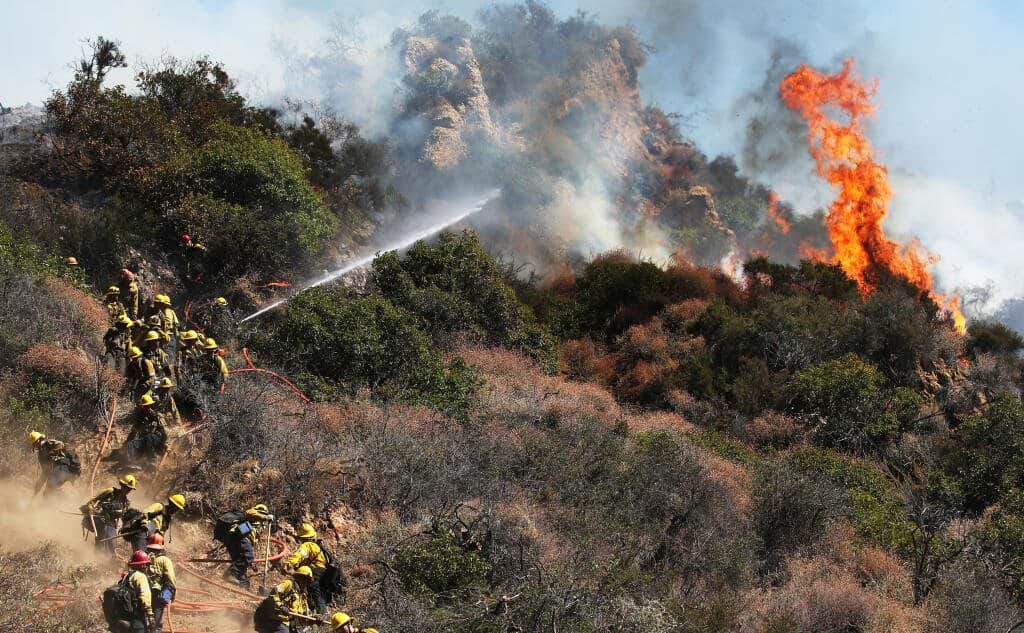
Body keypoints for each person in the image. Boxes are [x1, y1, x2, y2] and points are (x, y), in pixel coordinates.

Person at [81, 475, 137, 554]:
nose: (127, 490)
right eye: (126, 487)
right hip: (99, 518)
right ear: (122, 485)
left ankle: (108, 561)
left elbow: (126, 517)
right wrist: (90, 508)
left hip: (111, 523)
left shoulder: (126, 502)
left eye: (130, 489)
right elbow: (94, 500)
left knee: (112, 544)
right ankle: (97, 558)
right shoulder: (110, 491)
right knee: (102, 538)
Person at [283, 523, 330, 615]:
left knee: (314, 591)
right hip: (323, 572)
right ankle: (315, 612)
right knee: (315, 593)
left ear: (303, 538)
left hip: (315, 571)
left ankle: (323, 614)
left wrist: (288, 565)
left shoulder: (307, 545)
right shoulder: (317, 546)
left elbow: (299, 555)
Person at [224, 504, 274, 588]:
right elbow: (249, 513)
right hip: (239, 537)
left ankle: (243, 586)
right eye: (264, 514)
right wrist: (266, 517)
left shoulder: (260, 523)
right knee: (248, 556)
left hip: (237, 540)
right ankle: (230, 574)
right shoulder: (253, 513)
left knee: (241, 564)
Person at [253, 567, 313, 633]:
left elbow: (305, 617)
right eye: (304, 579)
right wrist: (281, 606)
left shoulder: (303, 596)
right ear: (298, 577)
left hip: (284, 623)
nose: (305, 583)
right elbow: (274, 593)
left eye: (307, 581)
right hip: (270, 618)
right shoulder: (289, 584)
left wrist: (315, 619)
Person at [121, 393, 168, 465]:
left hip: (157, 441)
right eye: (145, 406)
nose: (147, 408)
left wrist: (167, 444)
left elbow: (166, 431)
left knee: (149, 437)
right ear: (142, 407)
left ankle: (152, 461)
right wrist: (126, 443)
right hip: (145, 441)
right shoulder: (140, 418)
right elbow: (134, 431)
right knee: (130, 444)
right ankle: (133, 464)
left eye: (149, 406)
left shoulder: (157, 416)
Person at [29, 431, 80, 495]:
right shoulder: (41, 456)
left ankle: (65, 499)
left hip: (65, 467)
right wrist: (39, 485)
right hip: (58, 470)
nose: (36, 446)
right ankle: (60, 502)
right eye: (34, 444)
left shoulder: (50, 443)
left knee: (51, 486)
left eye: (35, 443)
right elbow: (46, 471)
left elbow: (62, 445)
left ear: (39, 440)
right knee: (46, 493)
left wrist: (53, 454)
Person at [119, 550, 156, 633]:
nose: (146, 567)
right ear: (142, 565)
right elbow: (145, 598)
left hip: (123, 618)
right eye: (146, 564)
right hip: (136, 618)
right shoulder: (140, 577)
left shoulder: (127, 576)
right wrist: (150, 617)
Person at [145, 534, 176, 631]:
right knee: (156, 622)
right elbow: (171, 579)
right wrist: (170, 595)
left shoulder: (143, 558)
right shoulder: (165, 560)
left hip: (143, 592)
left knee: (143, 619)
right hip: (158, 593)